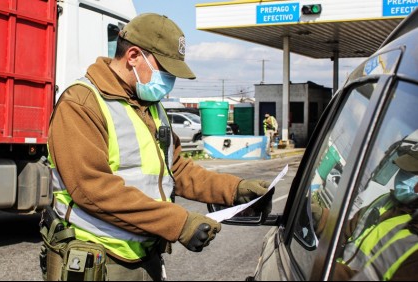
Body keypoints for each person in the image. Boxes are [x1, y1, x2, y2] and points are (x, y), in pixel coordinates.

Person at [45, 13, 273, 281]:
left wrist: (234, 189)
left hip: (146, 254)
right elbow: (92, 188)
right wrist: (178, 223)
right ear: (133, 56)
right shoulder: (82, 103)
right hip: (100, 260)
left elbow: (175, 168)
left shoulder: (150, 106)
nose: (168, 81)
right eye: (164, 70)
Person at [311, 148, 418, 281]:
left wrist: (328, 270)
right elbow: (345, 231)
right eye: (403, 170)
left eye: (411, 173)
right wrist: (321, 216)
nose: (402, 177)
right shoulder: (385, 200)